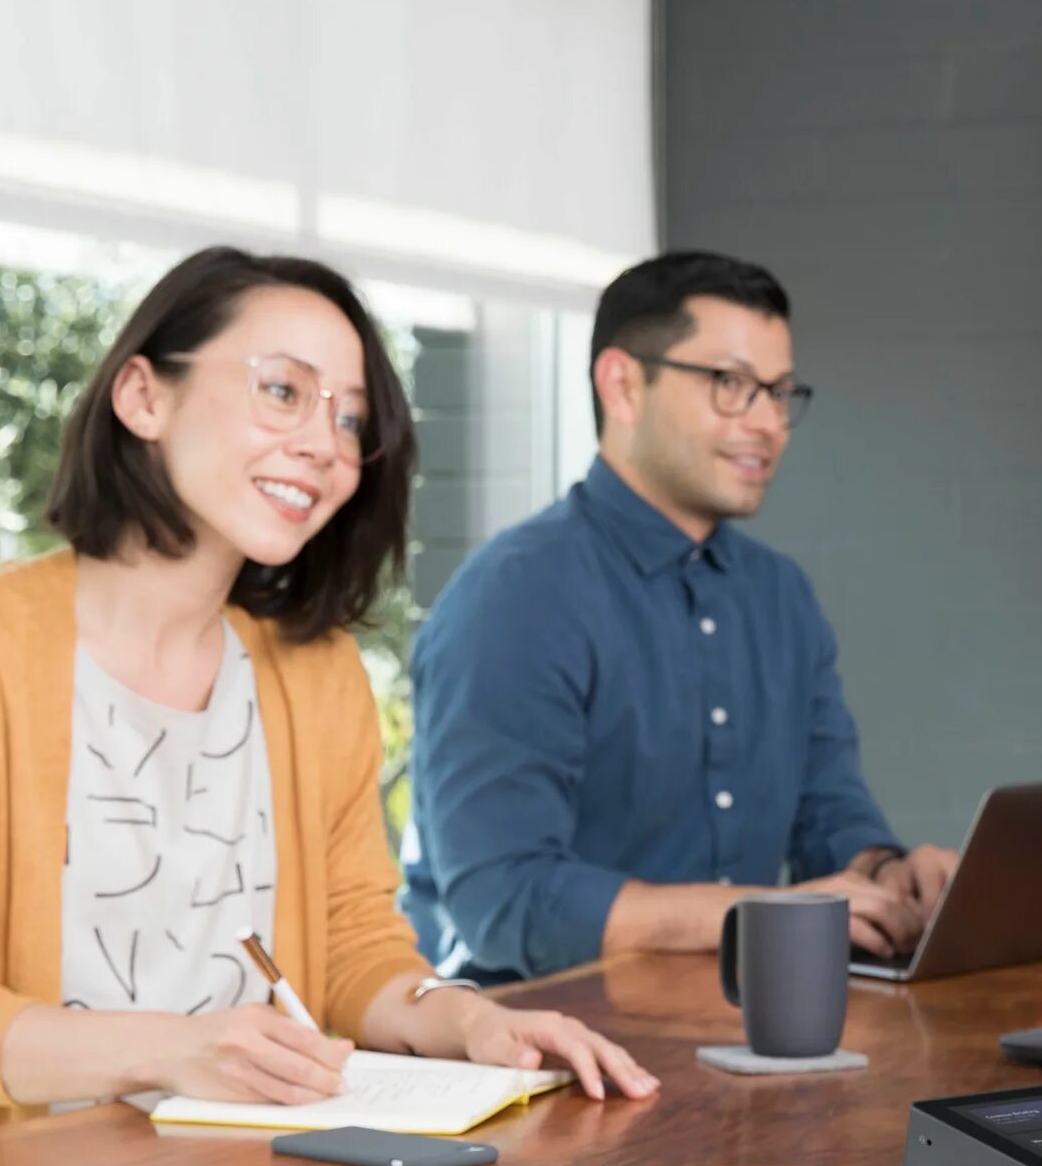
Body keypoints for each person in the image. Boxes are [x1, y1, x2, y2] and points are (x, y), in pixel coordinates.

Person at [0, 247, 656, 1160]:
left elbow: (349, 955)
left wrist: (468, 1023)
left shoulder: (317, 673)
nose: (324, 445)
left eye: (351, 419)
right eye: (284, 392)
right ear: (143, 397)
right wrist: (175, 1051)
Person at [397, 250, 955, 979]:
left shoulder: (781, 597)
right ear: (622, 385)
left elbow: (830, 817)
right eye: (731, 385)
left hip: (743, 1031)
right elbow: (506, 904)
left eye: (781, 393)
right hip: (534, 1055)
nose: (768, 423)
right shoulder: (513, 597)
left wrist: (889, 876)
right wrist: (762, 913)